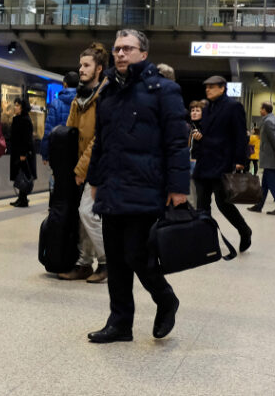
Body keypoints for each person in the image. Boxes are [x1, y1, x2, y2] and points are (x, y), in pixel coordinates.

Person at [85, 29, 189, 344]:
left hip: (146, 186)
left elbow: (176, 143)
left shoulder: (165, 90)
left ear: (143, 54)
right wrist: (94, 178)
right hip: (113, 186)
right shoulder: (109, 92)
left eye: (127, 48)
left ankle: (165, 298)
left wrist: (178, 187)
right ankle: (120, 323)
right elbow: (100, 141)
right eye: (117, 49)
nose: (120, 53)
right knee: (115, 259)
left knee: (137, 255)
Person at [59, 42, 109, 283]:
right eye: (80, 65)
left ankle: (108, 261)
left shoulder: (106, 97)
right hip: (82, 166)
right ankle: (84, 263)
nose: (81, 69)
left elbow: (100, 137)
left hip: (101, 166)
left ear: (99, 69)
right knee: (83, 217)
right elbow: (70, 133)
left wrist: (81, 168)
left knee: (87, 213)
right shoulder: (79, 98)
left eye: (86, 65)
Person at [190, 76, 253, 252]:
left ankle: (244, 230)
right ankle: (206, 240)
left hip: (222, 162)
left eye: (211, 87)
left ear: (222, 88)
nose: (207, 90)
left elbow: (241, 135)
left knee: (223, 202)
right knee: (202, 204)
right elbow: (207, 132)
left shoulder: (234, 107)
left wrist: (241, 160)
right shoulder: (208, 108)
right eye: (206, 87)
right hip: (204, 161)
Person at [248, 102, 275, 216]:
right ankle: (259, 206)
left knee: (272, 184)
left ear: (265, 110)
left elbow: (274, 139)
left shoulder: (268, 121)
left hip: (270, 157)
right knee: (264, 185)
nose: (260, 110)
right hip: (273, 157)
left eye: (261, 108)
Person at [40, 71, 79, 163]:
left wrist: (45, 154)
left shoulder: (56, 104)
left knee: (57, 176)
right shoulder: (83, 103)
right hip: (78, 152)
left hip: (59, 152)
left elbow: (48, 131)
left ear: (65, 84)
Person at [8, 97, 36, 207]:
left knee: (23, 175)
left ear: (23, 107)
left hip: (23, 153)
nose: (15, 107)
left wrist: (23, 154)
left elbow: (27, 139)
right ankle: (21, 198)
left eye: (18, 105)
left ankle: (23, 199)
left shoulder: (25, 120)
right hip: (17, 152)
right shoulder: (18, 118)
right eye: (15, 105)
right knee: (20, 174)